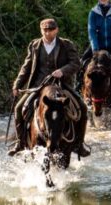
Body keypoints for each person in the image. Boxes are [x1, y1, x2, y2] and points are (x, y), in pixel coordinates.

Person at [9, 18, 89, 157]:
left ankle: (79, 144)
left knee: (82, 107)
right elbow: (26, 67)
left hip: (61, 85)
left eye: (50, 29)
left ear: (56, 30)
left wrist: (62, 71)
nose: (47, 33)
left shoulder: (66, 44)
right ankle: (20, 143)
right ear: (41, 30)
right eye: (45, 30)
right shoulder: (34, 45)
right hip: (38, 86)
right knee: (18, 109)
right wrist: (17, 85)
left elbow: (76, 63)